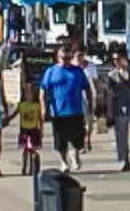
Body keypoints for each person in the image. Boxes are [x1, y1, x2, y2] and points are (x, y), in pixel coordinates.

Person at [40, 43, 93, 172]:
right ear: (58, 57)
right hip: (58, 112)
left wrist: (91, 105)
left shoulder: (77, 71)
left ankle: (75, 155)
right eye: (63, 58)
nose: (65, 61)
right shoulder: (51, 72)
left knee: (77, 140)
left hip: (76, 110)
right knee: (60, 140)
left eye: (67, 58)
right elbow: (43, 90)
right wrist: (43, 107)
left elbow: (87, 88)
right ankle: (63, 162)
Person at [106, 48, 130, 171]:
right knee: (121, 136)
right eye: (114, 59)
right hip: (119, 107)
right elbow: (110, 95)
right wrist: (109, 111)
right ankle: (124, 160)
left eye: (118, 59)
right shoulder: (112, 75)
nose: (116, 62)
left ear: (125, 58)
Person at [16, 81, 44, 175]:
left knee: (33, 150)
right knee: (25, 150)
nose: (29, 95)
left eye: (30, 93)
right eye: (27, 93)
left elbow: (40, 119)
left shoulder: (36, 106)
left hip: (34, 130)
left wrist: (41, 130)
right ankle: (24, 167)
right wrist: (7, 119)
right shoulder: (21, 105)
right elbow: (15, 113)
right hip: (24, 129)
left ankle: (33, 168)